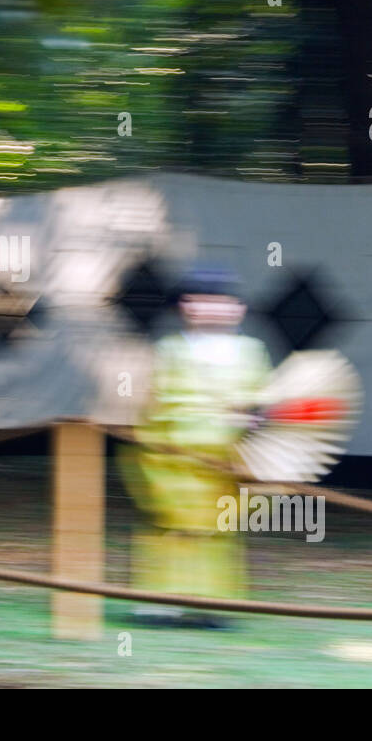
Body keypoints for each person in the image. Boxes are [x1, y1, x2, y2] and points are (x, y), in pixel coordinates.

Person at [120, 264, 272, 628]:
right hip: (173, 460)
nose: (213, 308)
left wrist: (253, 423)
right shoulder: (169, 350)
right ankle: (158, 603)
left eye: (223, 302)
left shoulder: (252, 351)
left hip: (226, 462)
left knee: (219, 531)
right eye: (202, 300)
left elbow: (262, 400)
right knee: (170, 529)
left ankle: (215, 605)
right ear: (186, 306)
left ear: (239, 309)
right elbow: (153, 403)